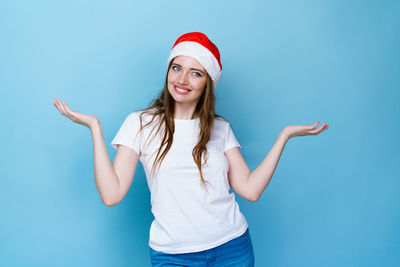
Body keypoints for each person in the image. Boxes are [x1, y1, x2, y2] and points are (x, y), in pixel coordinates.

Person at [53, 32, 329, 267]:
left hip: (232, 247)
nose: (182, 79)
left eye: (195, 73)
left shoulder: (220, 129)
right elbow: (112, 194)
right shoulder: (140, 123)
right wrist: (95, 128)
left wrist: (284, 136)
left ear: (207, 83)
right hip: (172, 255)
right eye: (177, 68)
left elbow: (250, 190)